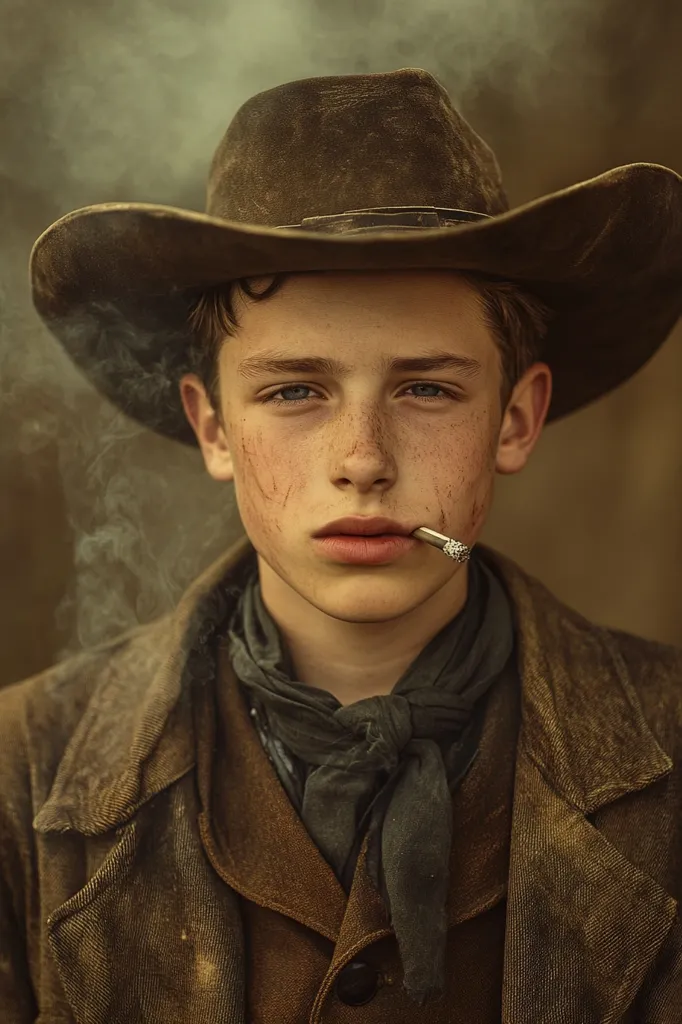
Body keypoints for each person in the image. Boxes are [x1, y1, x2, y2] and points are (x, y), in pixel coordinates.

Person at [1, 67, 681, 1023]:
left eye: (427, 389)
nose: (363, 461)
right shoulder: (21, 769)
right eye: (294, 391)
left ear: (516, 418)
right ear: (214, 428)